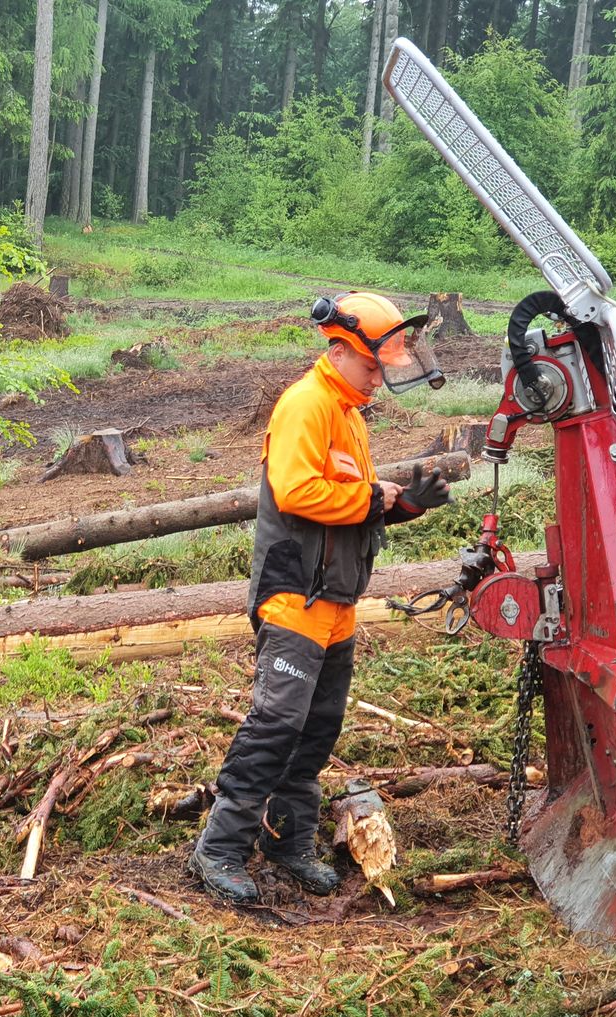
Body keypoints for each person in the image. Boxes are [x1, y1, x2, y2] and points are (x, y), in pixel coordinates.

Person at [189, 292, 453, 903]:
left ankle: (287, 837)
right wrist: (374, 499)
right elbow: (297, 492)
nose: (377, 377)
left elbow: (348, 505)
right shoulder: (307, 404)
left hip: (336, 598)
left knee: (316, 729)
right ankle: (220, 848)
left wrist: (404, 504)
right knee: (276, 724)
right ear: (338, 349)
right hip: (294, 594)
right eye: (370, 364)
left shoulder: (349, 413)